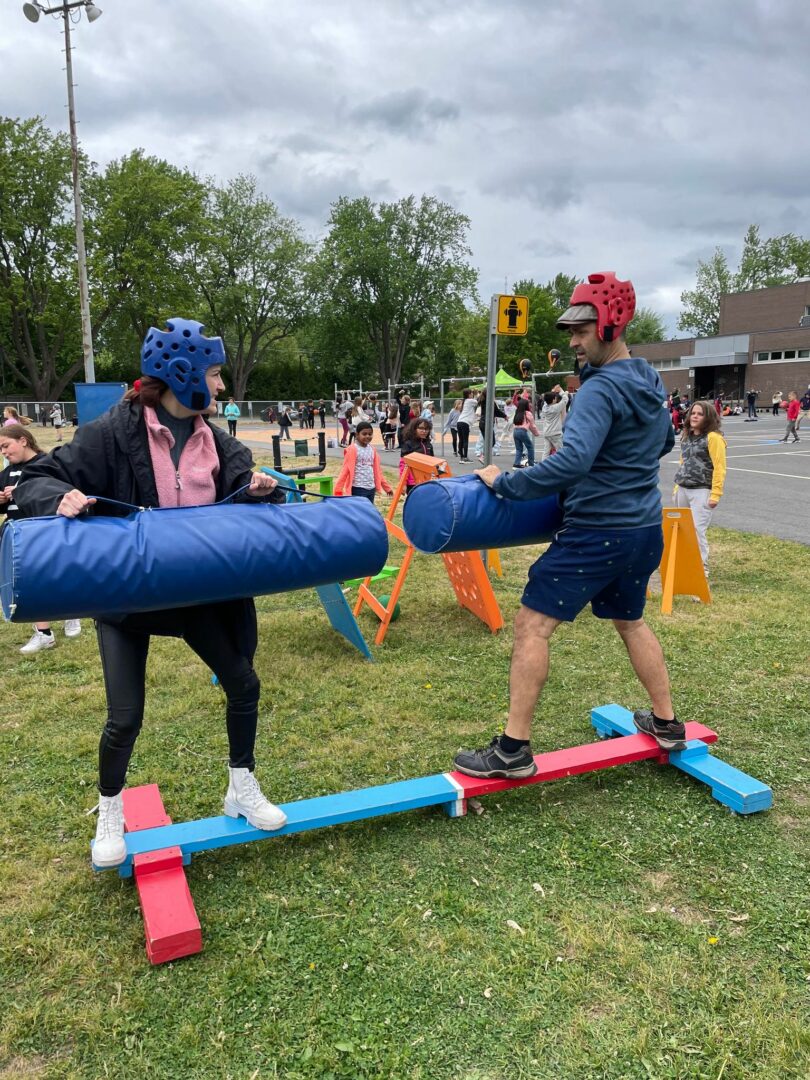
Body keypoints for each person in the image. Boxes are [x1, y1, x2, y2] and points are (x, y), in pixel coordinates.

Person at [14, 318, 288, 867]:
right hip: (128, 599)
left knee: (243, 683)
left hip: (196, 595)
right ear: (179, 375)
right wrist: (61, 496)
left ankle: (241, 785)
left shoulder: (215, 438)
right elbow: (36, 478)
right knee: (125, 716)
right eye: (213, 374)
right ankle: (110, 809)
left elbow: (251, 491)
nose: (219, 387)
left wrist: (262, 489)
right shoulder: (112, 432)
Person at [453, 271, 684, 782]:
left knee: (532, 625)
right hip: (645, 528)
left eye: (582, 331)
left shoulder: (599, 390)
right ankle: (667, 724)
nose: (574, 343)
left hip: (598, 530)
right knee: (631, 622)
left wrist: (505, 483)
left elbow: (573, 462)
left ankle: (513, 750)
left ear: (610, 324)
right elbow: (665, 443)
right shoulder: (647, 377)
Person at [0, 424, 82, 652]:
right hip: (17, 536)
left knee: (60, 577)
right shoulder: (6, 472)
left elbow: (58, 497)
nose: (4, 452)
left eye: (6, 445)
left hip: (45, 533)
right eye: (0, 449)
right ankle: (44, 633)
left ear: (23, 440)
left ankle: (71, 614)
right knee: (29, 583)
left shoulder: (47, 464)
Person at [672, 401, 727, 575]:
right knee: (680, 531)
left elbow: (720, 467)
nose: (694, 416)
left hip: (702, 490)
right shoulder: (686, 436)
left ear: (708, 417)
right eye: (693, 413)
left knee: (696, 531)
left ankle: (700, 571)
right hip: (682, 489)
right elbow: (683, 463)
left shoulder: (713, 438)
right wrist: (676, 489)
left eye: (700, 414)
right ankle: (683, 566)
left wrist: (715, 494)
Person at [335, 421, 393, 503]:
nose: (367, 436)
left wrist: (387, 488)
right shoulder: (353, 449)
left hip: (371, 489)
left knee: (368, 512)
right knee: (359, 512)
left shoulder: (372, 450)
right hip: (358, 488)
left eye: (370, 434)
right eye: (364, 434)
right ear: (357, 435)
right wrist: (338, 491)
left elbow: (377, 471)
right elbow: (345, 471)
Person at [399, 417, 434, 494]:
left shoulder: (429, 445)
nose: (424, 431)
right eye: (421, 428)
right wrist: (403, 484)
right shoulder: (408, 444)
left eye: (426, 429)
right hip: (412, 482)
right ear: (414, 429)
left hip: (426, 480)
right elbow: (403, 464)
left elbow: (433, 463)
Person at [511, 394, 540, 468]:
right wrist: (536, 433)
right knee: (530, 447)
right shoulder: (528, 413)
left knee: (519, 448)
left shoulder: (517, 413)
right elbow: (532, 426)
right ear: (526, 405)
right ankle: (531, 464)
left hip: (515, 431)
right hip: (522, 431)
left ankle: (516, 464)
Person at [540, 386, 568, 460]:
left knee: (546, 451)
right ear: (553, 400)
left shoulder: (545, 408)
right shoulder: (556, 407)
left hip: (546, 432)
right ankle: (562, 467)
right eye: (555, 398)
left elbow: (547, 400)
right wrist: (562, 391)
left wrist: (552, 392)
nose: (556, 398)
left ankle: (543, 466)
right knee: (561, 451)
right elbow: (565, 399)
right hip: (555, 433)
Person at [456, 389, 477, 462]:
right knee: (465, 440)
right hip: (465, 422)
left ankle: (461, 457)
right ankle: (465, 457)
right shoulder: (470, 401)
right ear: (468, 394)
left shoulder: (464, 401)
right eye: (471, 393)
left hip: (459, 422)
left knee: (461, 440)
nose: (472, 394)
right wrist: (477, 393)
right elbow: (477, 402)